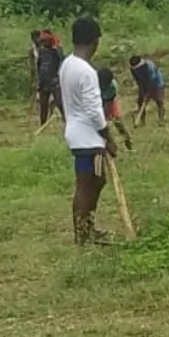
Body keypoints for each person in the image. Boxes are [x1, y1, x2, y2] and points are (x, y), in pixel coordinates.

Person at [59, 17, 118, 245]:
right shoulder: (86, 71)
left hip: (76, 131)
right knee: (87, 184)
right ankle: (83, 234)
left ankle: (87, 230)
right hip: (88, 137)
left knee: (96, 180)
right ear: (95, 41)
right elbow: (95, 111)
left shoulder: (68, 64)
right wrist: (108, 138)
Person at [96, 67, 134, 150]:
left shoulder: (113, 86)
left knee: (118, 122)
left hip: (110, 103)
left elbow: (110, 101)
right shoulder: (92, 82)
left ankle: (129, 144)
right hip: (96, 102)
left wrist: (107, 112)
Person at [35, 31, 65, 125]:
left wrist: (58, 77)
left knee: (60, 103)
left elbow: (62, 63)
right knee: (43, 105)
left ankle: (67, 121)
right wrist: (38, 80)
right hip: (43, 81)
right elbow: (39, 65)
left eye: (45, 41)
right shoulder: (41, 51)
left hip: (54, 80)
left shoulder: (57, 50)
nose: (43, 43)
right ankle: (42, 124)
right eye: (42, 41)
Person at [129, 55, 167, 126]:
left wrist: (148, 93)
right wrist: (142, 89)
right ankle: (142, 122)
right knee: (141, 102)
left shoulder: (149, 66)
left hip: (156, 84)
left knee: (159, 101)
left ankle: (161, 121)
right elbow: (137, 80)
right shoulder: (132, 68)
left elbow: (152, 81)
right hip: (143, 84)